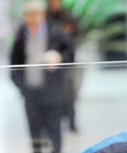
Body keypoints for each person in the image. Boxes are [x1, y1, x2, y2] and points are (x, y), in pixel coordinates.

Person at [11, 0, 74, 153]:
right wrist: (21, 85)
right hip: (31, 89)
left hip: (52, 89)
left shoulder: (55, 32)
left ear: (42, 16)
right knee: (34, 127)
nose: (32, 19)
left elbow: (70, 52)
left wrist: (59, 58)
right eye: (29, 16)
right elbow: (14, 62)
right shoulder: (21, 35)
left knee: (54, 125)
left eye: (35, 15)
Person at [47, 0, 82, 134]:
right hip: (49, 62)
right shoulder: (45, 15)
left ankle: (72, 123)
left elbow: (77, 34)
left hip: (66, 61)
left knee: (69, 93)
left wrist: (68, 34)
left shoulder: (68, 15)